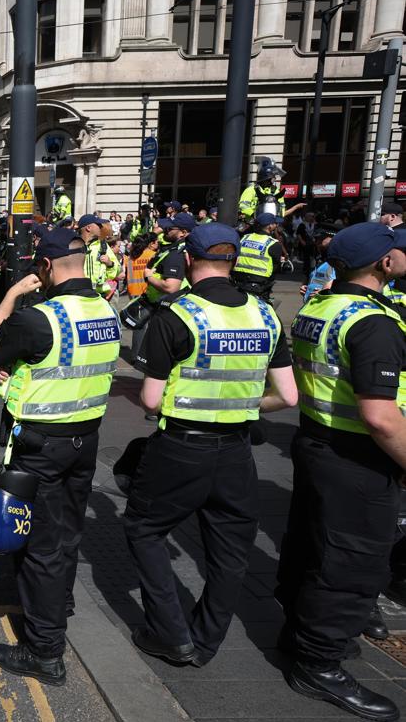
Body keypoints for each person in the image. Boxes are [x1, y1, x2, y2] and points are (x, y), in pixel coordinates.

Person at [126, 224, 297, 668]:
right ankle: (204, 641)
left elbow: (149, 398)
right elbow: (289, 396)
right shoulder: (265, 314)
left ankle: (171, 633)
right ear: (234, 261)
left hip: (182, 445)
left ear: (187, 260)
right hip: (237, 448)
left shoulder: (177, 315)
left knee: (144, 529)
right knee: (230, 551)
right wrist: (242, 404)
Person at [0, 229, 121, 686]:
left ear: (45, 268)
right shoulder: (107, 312)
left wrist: (14, 294)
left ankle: (44, 651)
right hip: (85, 441)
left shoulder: (41, 318)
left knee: (39, 546)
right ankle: (57, 602)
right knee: (66, 533)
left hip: (40, 447)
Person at [276, 223, 406, 721]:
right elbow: (380, 414)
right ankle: (319, 663)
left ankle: (300, 635)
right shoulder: (373, 323)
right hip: (357, 457)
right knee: (352, 564)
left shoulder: (321, 306)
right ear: (383, 265)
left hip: (318, 441)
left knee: (312, 546)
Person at [232, 213, 285, 302]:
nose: (276, 225)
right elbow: (276, 268)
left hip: (238, 283)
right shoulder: (274, 244)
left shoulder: (244, 238)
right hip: (260, 287)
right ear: (270, 226)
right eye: (275, 223)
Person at [78, 214, 115, 300]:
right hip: (79, 295)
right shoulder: (75, 245)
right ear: (88, 228)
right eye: (98, 225)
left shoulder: (103, 245)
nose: (101, 227)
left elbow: (115, 272)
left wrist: (110, 263)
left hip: (100, 295)